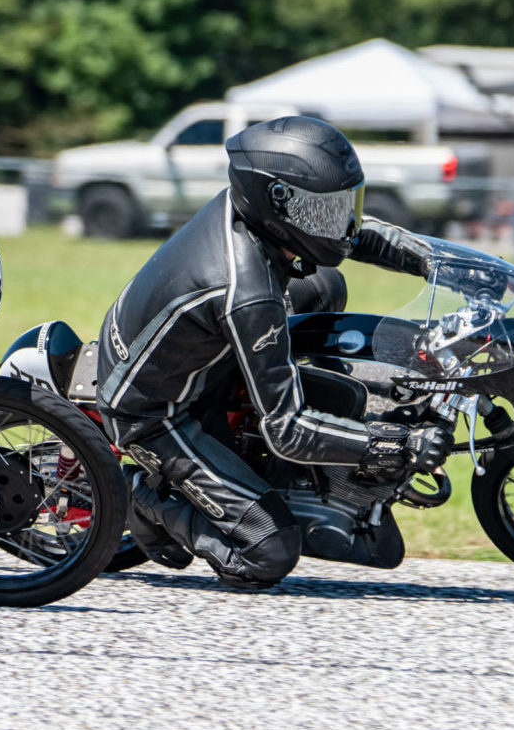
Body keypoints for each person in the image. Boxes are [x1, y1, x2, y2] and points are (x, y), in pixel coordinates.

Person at [96, 115, 449, 590]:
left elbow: (349, 234)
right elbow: (287, 433)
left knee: (326, 285)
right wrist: (393, 445)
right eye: (326, 209)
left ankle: (273, 420)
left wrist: (437, 260)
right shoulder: (248, 291)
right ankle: (141, 496)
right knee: (269, 552)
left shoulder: (252, 211)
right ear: (279, 202)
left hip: (194, 353)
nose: (341, 220)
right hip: (153, 413)